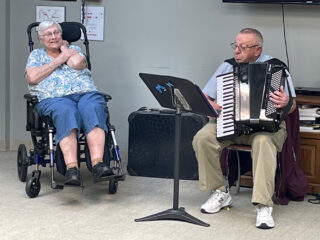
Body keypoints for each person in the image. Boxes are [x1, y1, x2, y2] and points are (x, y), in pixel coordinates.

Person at [192, 28, 297, 229]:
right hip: (229, 123)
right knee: (202, 137)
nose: (236, 51)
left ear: (257, 50)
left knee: (264, 142)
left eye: (243, 47)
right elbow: (205, 95)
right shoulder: (227, 66)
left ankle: (263, 205)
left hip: (266, 128)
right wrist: (210, 106)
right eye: (235, 45)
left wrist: (286, 101)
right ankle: (220, 192)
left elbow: (292, 106)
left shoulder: (276, 68)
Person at [25, 20, 113, 186]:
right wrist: (59, 59)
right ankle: (72, 169)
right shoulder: (36, 56)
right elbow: (32, 77)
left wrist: (64, 49)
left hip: (85, 94)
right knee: (66, 110)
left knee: (93, 107)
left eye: (56, 33)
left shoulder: (74, 50)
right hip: (53, 98)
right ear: (40, 39)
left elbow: (77, 64)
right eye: (48, 34)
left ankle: (98, 165)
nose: (53, 37)